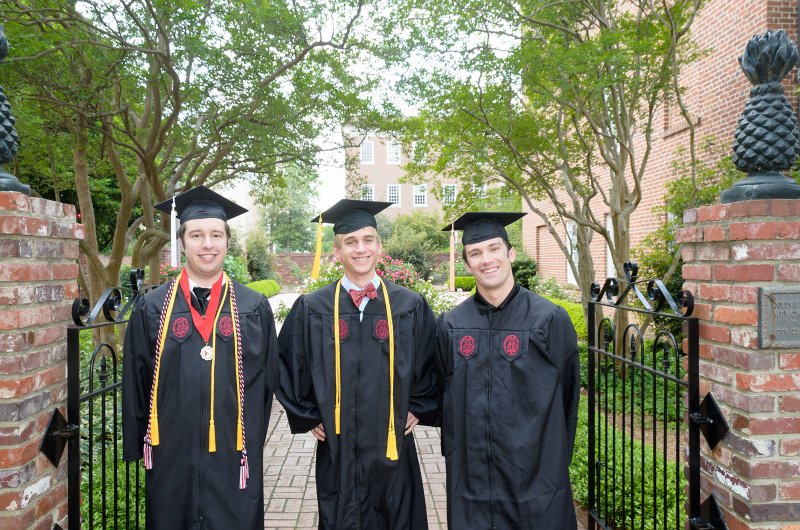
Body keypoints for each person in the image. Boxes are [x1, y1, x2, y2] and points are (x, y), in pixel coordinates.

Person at [122, 186, 279, 529]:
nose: (207, 244)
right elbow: (135, 378)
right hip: (171, 453)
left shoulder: (253, 307)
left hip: (232, 451)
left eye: (215, 235)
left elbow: (268, 381)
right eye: (197, 235)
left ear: (226, 241)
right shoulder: (152, 307)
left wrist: (250, 435)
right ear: (182, 242)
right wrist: (138, 444)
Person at [277, 199, 438, 529]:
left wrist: (419, 405)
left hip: (391, 444)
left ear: (380, 248)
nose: (359, 249)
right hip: (339, 447)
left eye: (367, 240)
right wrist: (307, 415)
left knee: (397, 515)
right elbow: (286, 362)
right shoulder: (313, 307)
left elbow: (433, 359)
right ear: (337, 252)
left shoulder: (409, 305)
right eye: (350, 242)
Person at [436, 212, 580, 530]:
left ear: (510, 253)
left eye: (494, 249)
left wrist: (552, 460)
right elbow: (442, 398)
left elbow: (568, 399)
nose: (486, 259)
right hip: (471, 480)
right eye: (476, 253)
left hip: (535, 480)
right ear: (467, 262)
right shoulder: (451, 325)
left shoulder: (549, 319)